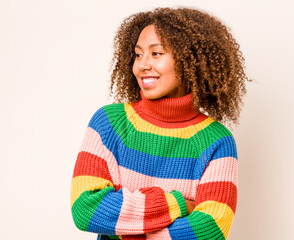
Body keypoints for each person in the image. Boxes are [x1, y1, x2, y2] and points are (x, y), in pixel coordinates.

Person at [70, 7, 250, 240]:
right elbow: (87, 211)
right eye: (138, 54)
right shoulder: (109, 123)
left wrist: (123, 224)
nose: (142, 65)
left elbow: (211, 230)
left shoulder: (217, 141)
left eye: (156, 53)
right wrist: (179, 204)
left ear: (190, 61)